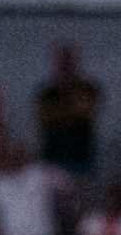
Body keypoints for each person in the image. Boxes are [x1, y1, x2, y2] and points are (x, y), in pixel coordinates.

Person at [34, 44, 103, 177]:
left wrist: (59, 112)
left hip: (81, 158)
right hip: (52, 158)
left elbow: (86, 111)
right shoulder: (46, 93)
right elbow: (43, 119)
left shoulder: (88, 88)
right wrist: (72, 111)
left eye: (69, 61)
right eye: (62, 62)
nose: (65, 66)